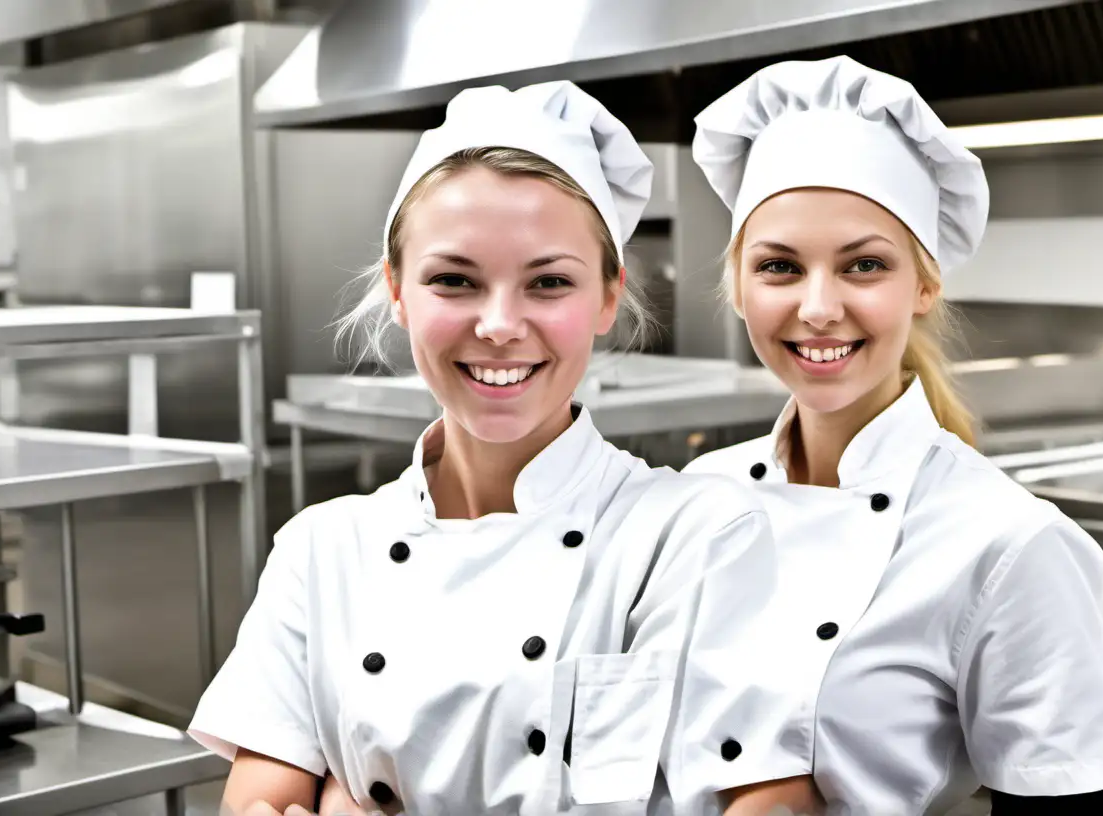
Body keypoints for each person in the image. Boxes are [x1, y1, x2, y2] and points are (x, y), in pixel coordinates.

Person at [188, 81, 818, 816]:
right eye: (454, 280)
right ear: (397, 289)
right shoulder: (320, 551)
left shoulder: (695, 536)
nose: (498, 325)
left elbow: (773, 800)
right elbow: (256, 804)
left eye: (548, 282)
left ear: (610, 295)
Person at [683, 56, 1103, 816]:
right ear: (739, 288)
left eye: (863, 265)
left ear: (924, 284)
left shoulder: (1012, 545)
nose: (818, 307)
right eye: (780, 267)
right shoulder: (693, 504)